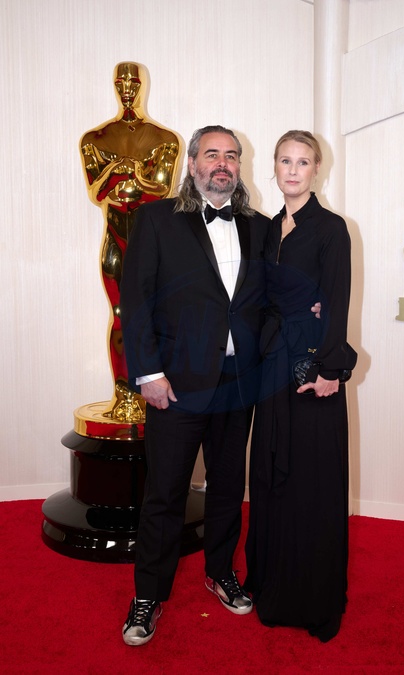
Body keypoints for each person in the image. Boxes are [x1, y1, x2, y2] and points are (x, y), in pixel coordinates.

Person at [119, 125, 271, 646]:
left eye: (231, 155)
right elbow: (136, 300)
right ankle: (148, 594)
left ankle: (220, 572)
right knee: (165, 493)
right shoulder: (156, 219)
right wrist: (148, 373)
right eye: (212, 154)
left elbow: (269, 301)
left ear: (239, 166)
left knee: (228, 487)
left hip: (237, 383)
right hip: (176, 384)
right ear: (192, 164)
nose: (222, 163)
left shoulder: (259, 227)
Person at [244, 130, 357, 643]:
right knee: (272, 476)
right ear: (274, 167)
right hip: (271, 368)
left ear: (316, 170)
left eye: (303, 162)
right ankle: (272, 585)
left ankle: (313, 600)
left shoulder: (331, 229)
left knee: (311, 481)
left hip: (313, 372)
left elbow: (336, 300)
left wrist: (330, 371)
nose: (293, 170)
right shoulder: (268, 229)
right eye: (285, 161)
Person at [80, 62, 180, 421]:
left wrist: (131, 172)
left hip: (152, 242)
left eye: (133, 81)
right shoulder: (95, 139)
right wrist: (117, 170)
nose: (127, 87)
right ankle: (124, 396)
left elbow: (162, 191)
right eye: (120, 81)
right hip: (116, 237)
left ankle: (150, 393)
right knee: (120, 315)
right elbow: (97, 192)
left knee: (156, 315)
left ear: (143, 85)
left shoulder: (164, 139)